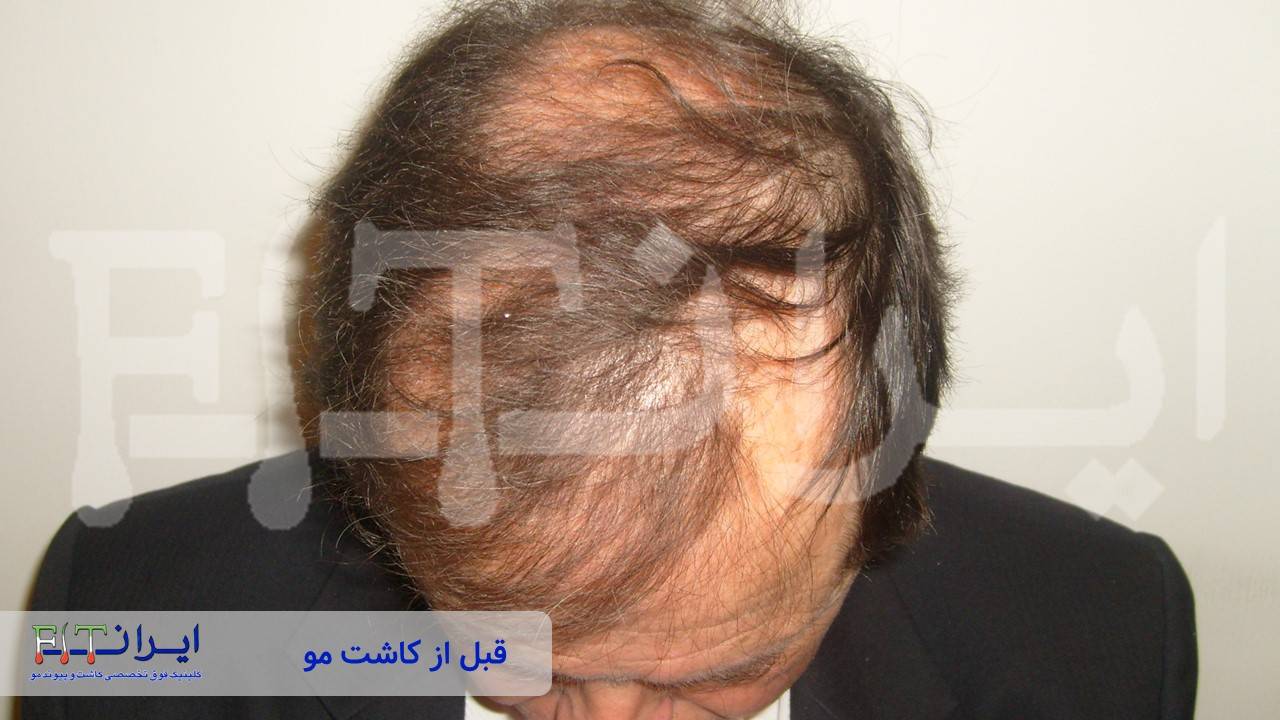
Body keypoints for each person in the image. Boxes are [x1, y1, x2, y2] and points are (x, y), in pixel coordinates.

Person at [25, 1, 1197, 718]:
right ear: (379, 494)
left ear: (885, 495)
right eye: (511, 653)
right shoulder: (130, 627)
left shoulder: (1098, 639)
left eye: (711, 673)